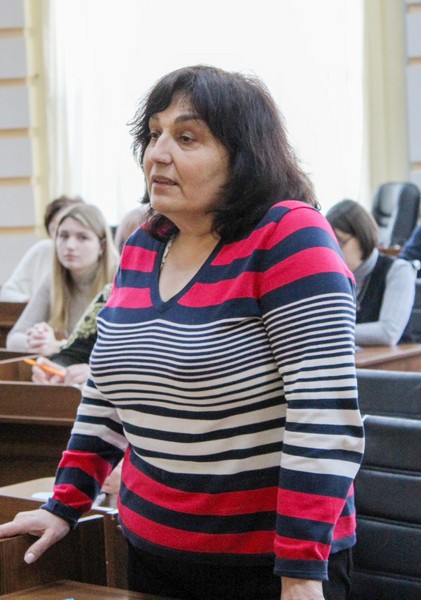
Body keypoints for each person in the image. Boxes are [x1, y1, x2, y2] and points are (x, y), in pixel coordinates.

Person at [0, 65, 364, 600]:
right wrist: (64, 504)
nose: (158, 153)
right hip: (151, 551)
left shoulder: (290, 236)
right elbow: (106, 395)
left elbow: (323, 417)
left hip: (268, 567)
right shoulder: (146, 244)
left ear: (243, 155)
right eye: (154, 134)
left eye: (187, 138)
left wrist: (301, 573)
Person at [31, 206, 145, 387]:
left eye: (147, 245)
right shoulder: (110, 294)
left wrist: (99, 373)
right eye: (124, 245)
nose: (133, 253)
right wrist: (55, 370)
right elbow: (73, 353)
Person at [6, 202, 119, 355]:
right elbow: (13, 339)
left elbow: (119, 348)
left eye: (82, 237)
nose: (70, 245)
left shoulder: (120, 279)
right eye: (63, 236)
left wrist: (59, 347)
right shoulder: (53, 280)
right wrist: (36, 341)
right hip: (69, 368)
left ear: (102, 246)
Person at [325, 199, 416, 346]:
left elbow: (388, 332)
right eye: (330, 245)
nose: (335, 253)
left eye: (340, 243)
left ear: (362, 235)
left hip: (395, 359)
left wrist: (329, 334)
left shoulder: (398, 271)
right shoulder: (332, 279)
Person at [0, 195, 83, 302]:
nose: (67, 242)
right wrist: (33, 303)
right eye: (56, 230)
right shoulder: (44, 250)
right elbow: (7, 293)